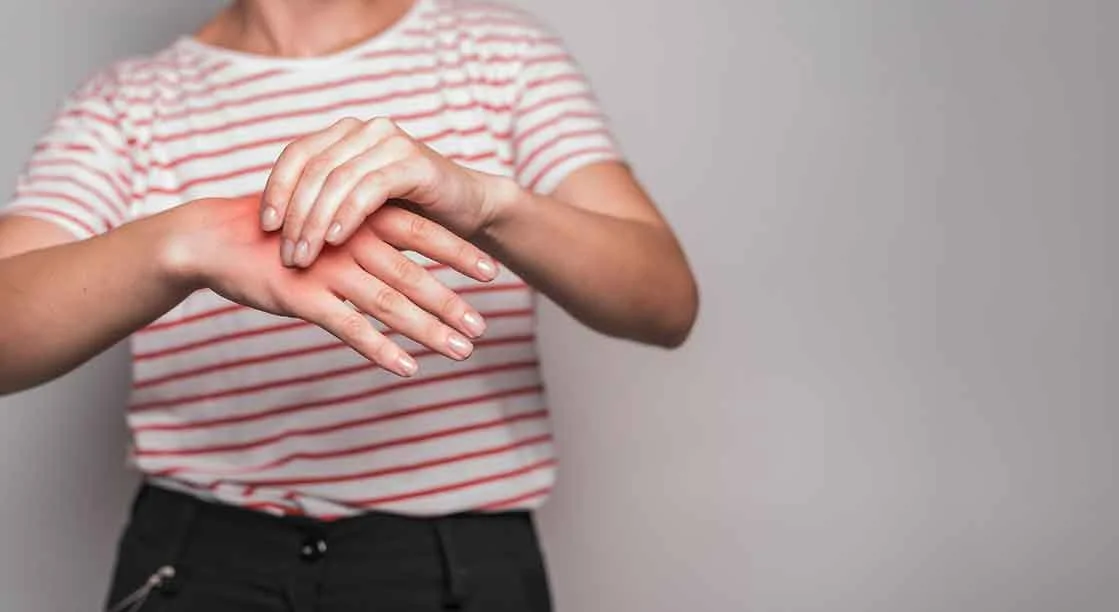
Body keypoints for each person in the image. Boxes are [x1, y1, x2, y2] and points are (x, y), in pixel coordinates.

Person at [0, 0, 698, 609]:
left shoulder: (498, 55)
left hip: (454, 565)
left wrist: (487, 204)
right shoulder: (127, 103)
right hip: (200, 563)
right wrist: (178, 245)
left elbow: (665, 303)